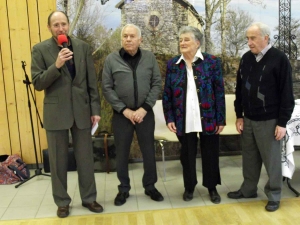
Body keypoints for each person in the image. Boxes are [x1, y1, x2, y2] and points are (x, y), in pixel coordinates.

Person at [31, 11, 103, 218]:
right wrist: (57, 65)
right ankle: (62, 201)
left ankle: (89, 198)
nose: (60, 28)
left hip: (82, 111)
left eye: (63, 24)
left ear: (68, 24)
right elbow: (38, 83)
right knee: (58, 161)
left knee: (85, 159)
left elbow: (91, 83)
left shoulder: (82, 47)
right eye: (56, 25)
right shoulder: (40, 50)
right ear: (49, 28)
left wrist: (95, 110)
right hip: (56, 113)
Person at [227, 22, 295, 212]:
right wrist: (239, 115)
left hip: (270, 120)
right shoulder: (246, 59)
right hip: (248, 119)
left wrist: (282, 123)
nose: (249, 42)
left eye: (253, 38)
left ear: (265, 38)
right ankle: (248, 189)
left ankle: (274, 195)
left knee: (271, 160)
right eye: (247, 38)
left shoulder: (279, 59)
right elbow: (239, 89)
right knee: (249, 158)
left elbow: (286, 94)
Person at [102, 24, 163, 206]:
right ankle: (123, 189)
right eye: (125, 36)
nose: (128, 39)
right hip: (122, 115)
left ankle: (150, 186)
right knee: (121, 153)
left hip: (145, 113)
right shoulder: (111, 60)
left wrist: (144, 108)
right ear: (122, 40)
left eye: (132, 36)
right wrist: (125, 110)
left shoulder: (149, 58)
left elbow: (156, 84)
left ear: (140, 39)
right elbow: (107, 88)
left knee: (148, 151)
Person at [162, 26, 225, 204]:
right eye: (180, 40)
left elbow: (219, 91)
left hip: (208, 116)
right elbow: (167, 93)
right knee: (187, 155)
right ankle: (189, 187)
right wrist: (170, 117)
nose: (182, 43)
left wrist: (220, 118)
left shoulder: (212, 62)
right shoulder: (173, 64)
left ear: (197, 43)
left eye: (186, 39)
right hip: (184, 118)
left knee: (210, 153)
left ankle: (212, 188)